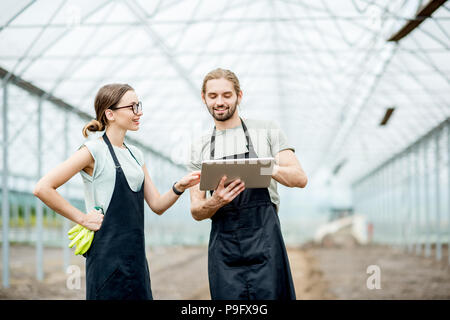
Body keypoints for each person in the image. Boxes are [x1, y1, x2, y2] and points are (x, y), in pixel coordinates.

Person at [34, 83, 200, 300]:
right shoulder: (93, 151)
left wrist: (179, 186)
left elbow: (157, 205)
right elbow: (43, 188)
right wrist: (82, 218)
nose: (138, 112)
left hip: (136, 259)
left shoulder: (135, 154)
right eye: (132, 107)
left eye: (138, 105)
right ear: (110, 114)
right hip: (106, 260)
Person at [188, 68, 307, 300]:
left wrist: (266, 167)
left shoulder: (267, 131)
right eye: (213, 96)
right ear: (204, 98)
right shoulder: (200, 147)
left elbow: (299, 178)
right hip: (224, 248)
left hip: (265, 241)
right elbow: (196, 210)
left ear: (239, 96)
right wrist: (215, 201)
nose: (220, 102)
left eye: (226, 95)